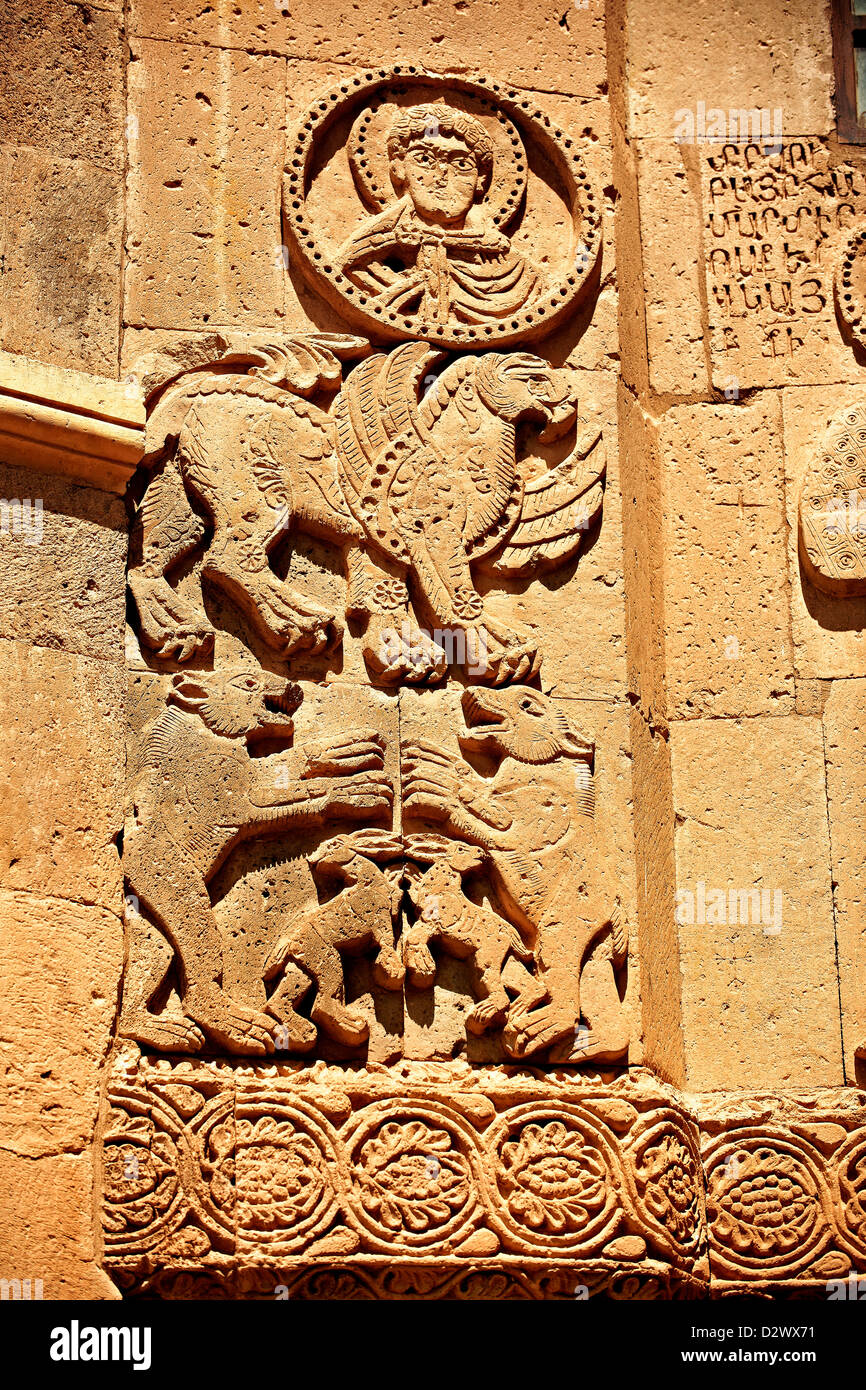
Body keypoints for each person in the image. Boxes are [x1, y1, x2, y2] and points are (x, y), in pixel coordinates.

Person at [339, 103, 538, 328]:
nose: (442, 174)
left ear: (480, 180)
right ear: (398, 167)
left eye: (461, 164)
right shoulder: (358, 263)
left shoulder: (519, 274)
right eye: (425, 159)